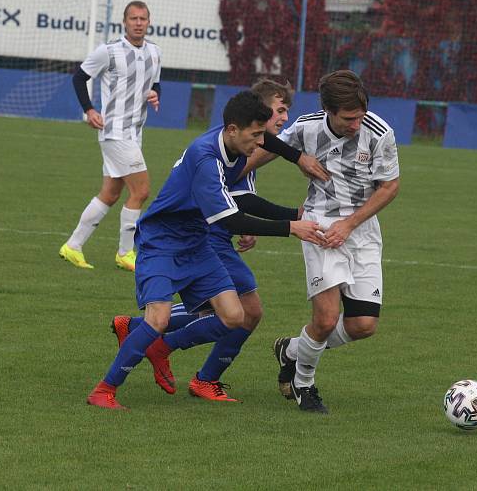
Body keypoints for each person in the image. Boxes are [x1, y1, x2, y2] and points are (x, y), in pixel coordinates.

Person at [86, 91, 327, 410]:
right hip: (162, 241)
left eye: (260, 133)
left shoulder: (235, 139)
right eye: (254, 135)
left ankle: (161, 348)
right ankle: (104, 390)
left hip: (196, 240)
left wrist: (297, 157)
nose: (259, 143)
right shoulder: (206, 159)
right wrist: (291, 226)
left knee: (234, 316)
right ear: (232, 130)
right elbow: (229, 218)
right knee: (157, 318)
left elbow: (268, 142)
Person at [244, 70, 401, 413]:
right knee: (327, 318)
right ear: (329, 110)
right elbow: (257, 153)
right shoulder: (306, 127)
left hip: (360, 230)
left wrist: (350, 224)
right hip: (318, 224)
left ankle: (291, 349)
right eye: (348, 119)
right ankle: (304, 384)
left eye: (360, 116)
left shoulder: (379, 133)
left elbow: (389, 186)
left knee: (363, 325)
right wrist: (231, 187)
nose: (356, 124)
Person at [59, 0, 161, 271]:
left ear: (149, 22)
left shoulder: (155, 52)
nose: (138, 23)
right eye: (133, 19)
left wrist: (155, 94)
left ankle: (73, 246)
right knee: (141, 190)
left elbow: (155, 83)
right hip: (115, 131)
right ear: (124, 22)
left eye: (143, 19)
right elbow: (79, 77)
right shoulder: (109, 51)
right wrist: (89, 110)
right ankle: (126, 253)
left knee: (111, 193)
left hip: (135, 132)